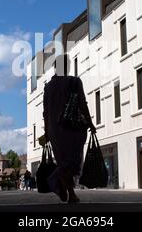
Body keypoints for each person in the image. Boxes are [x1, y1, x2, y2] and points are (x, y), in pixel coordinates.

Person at [41, 54, 96, 203]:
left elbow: (45, 112)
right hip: (72, 128)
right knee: (72, 161)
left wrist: (46, 132)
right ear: (66, 66)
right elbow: (82, 104)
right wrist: (90, 123)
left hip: (54, 130)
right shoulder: (74, 81)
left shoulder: (48, 87)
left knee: (63, 161)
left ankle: (70, 193)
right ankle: (54, 179)